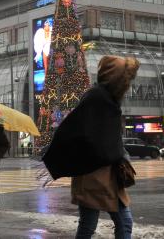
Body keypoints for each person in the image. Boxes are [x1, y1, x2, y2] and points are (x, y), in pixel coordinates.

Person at [56, 55, 140, 239]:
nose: (127, 85)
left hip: (104, 173)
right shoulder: (98, 98)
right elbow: (87, 134)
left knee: (111, 223)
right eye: (125, 80)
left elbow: (108, 137)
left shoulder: (104, 98)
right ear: (116, 79)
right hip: (94, 174)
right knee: (100, 224)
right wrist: (118, 155)